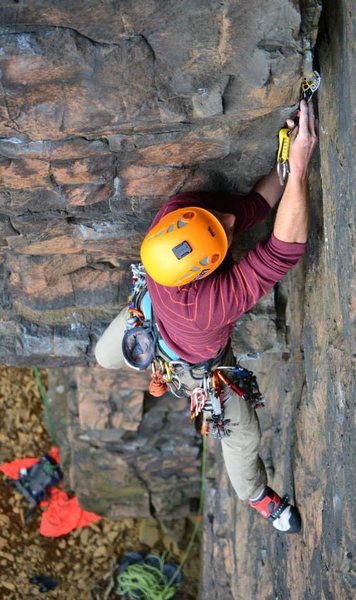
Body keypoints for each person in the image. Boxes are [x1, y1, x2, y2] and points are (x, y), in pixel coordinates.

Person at [95, 99, 318, 534]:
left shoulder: (177, 216)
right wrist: (304, 169)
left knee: (107, 353)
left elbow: (250, 206)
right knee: (244, 435)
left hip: (150, 312)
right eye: (224, 230)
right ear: (204, 271)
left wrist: (288, 160)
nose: (229, 219)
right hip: (195, 364)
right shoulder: (207, 306)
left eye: (217, 223)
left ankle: (256, 496)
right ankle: (255, 496)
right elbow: (283, 250)